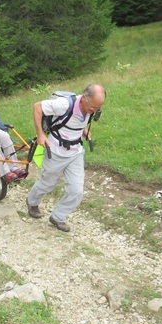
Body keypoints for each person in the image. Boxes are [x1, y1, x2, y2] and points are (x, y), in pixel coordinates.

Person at [25, 84, 106, 232]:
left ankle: (58, 217)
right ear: (84, 98)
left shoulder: (89, 107)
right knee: (48, 184)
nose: (94, 111)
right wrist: (40, 135)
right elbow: (37, 107)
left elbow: (80, 118)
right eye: (93, 107)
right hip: (56, 150)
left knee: (76, 190)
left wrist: (83, 130)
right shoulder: (63, 104)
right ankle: (32, 201)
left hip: (75, 152)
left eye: (98, 108)